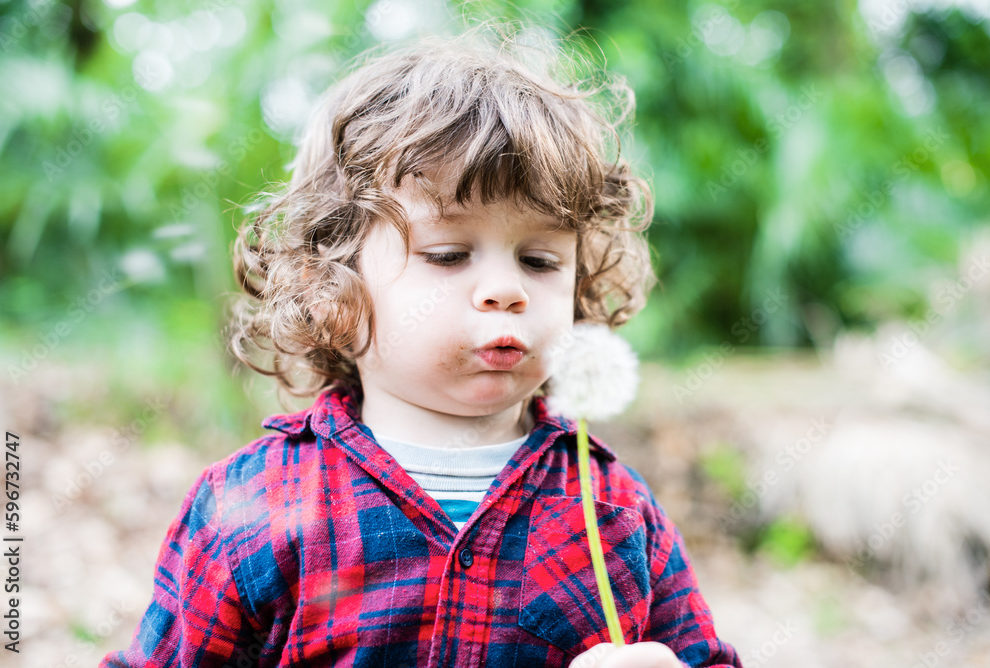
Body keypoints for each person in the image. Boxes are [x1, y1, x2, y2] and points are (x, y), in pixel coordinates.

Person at [100, 25, 742, 668]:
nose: (507, 290)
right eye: (448, 254)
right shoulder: (250, 507)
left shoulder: (616, 510)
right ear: (333, 287)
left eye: (540, 261)